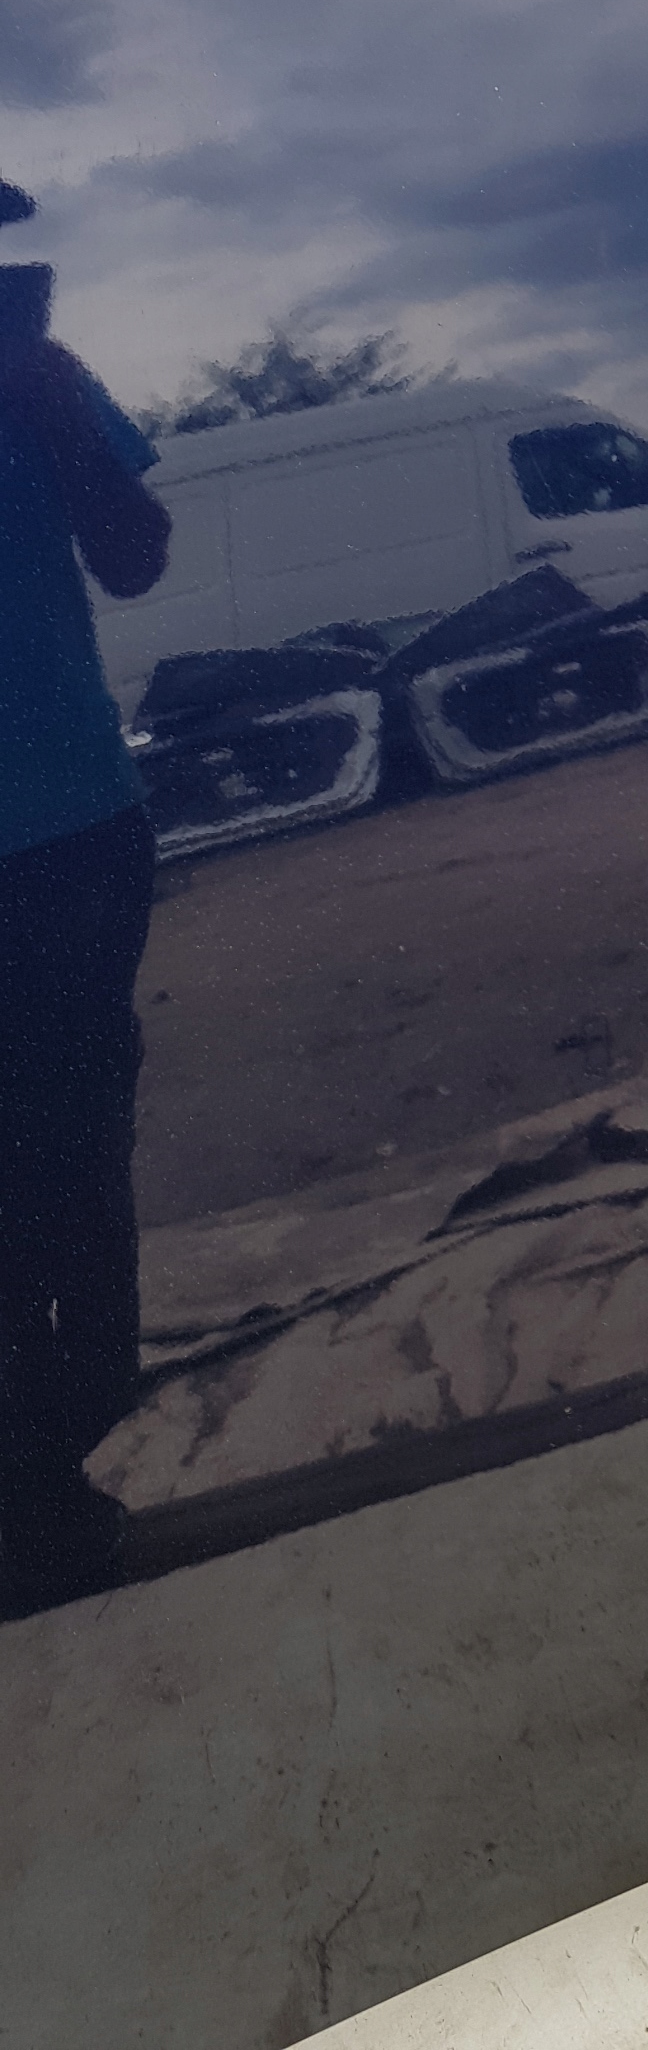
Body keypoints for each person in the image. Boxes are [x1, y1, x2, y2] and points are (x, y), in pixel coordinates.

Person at [0, 257, 171, 1601]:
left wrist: (54, 411)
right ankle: (36, 1497)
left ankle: (67, 1437)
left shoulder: (44, 380)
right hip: (67, 834)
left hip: (74, 831)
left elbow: (134, 558)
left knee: (77, 1149)